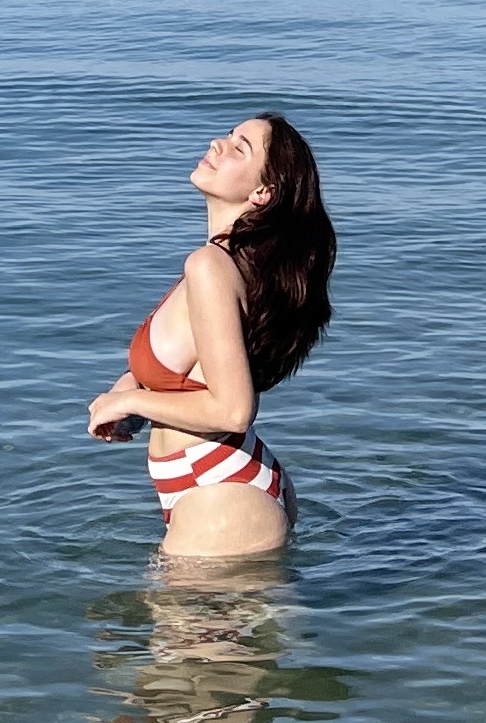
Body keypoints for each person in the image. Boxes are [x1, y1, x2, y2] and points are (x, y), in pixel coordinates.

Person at [88, 109, 336, 559]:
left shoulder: (211, 267)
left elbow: (234, 409)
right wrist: (131, 391)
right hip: (223, 488)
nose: (218, 144)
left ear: (263, 193)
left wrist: (130, 401)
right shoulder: (231, 265)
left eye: (239, 147)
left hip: (222, 502)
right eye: (227, 134)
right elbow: (194, 373)